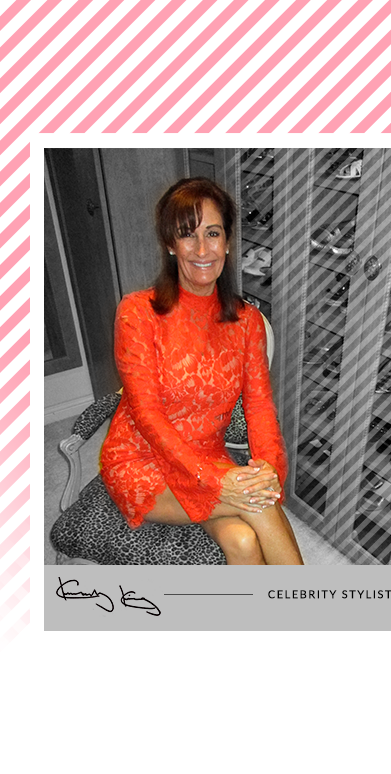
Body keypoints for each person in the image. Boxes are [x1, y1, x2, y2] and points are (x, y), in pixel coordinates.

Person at [100, 177, 304, 566]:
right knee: (261, 506)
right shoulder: (138, 312)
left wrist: (269, 469)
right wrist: (214, 480)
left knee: (243, 539)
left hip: (207, 455)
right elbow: (146, 414)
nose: (201, 249)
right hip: (140, 461)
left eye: (212, 233)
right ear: (170, 244)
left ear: (227, 242)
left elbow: (259, 406)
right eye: (186, 235)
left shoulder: (247, 321)